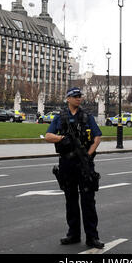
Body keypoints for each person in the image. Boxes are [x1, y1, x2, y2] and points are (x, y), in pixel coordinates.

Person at [45, 87, 104, 249]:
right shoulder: (60, 117)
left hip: (84, 163)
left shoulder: (87, 116)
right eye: (75, 96)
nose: (79, 99)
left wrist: (88, 155)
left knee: (88, 202)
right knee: (70, 200)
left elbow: (97, 137)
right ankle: (73, 234)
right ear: (68, 99)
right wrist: (62, 138)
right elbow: (48, 136)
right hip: (67, 163)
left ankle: (92, 237)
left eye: (80, 96)